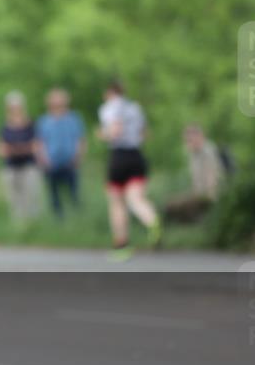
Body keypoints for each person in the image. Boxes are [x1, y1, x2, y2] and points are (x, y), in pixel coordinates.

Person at [97, 81, 161, 258]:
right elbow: (145, 133)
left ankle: (121, 242)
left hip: (119, 156)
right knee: (136, 198)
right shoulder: (135, 108)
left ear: (109, 93)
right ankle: (151, 220)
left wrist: (103, 134)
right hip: (137, 156)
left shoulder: (109, 108)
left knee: (117, 201)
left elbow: (115, 130)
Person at [34, 88, 86, 218]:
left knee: (74, 193)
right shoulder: (44, 121)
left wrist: (78, 157)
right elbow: (40, 142)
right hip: (51, 162)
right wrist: (43, 159)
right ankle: (58, 219)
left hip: (70, 161)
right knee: (54, 194)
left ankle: (77, 217)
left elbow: (80, 140)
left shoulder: (74, 118)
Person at [0, 91, 42, 226]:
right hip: (11, 166)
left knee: (31, 196)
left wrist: (15, 149)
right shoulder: (5, 127)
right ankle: (19, 226)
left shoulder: (31, 124)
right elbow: (0, 148)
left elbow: (36, 145)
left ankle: (34, 225)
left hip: (29, 165)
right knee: (15, 198)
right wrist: (19, 148)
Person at [164, 125, 228, 223]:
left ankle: (199, 223)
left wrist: (207, 196)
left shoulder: (208, 151)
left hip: (209, 195)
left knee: (176, 205)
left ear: (199, 136)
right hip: (199, 193)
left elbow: (212, 177)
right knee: (170, 203)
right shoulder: (194, 154)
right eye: (186, 140)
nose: (187, 143)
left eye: (190, 139)